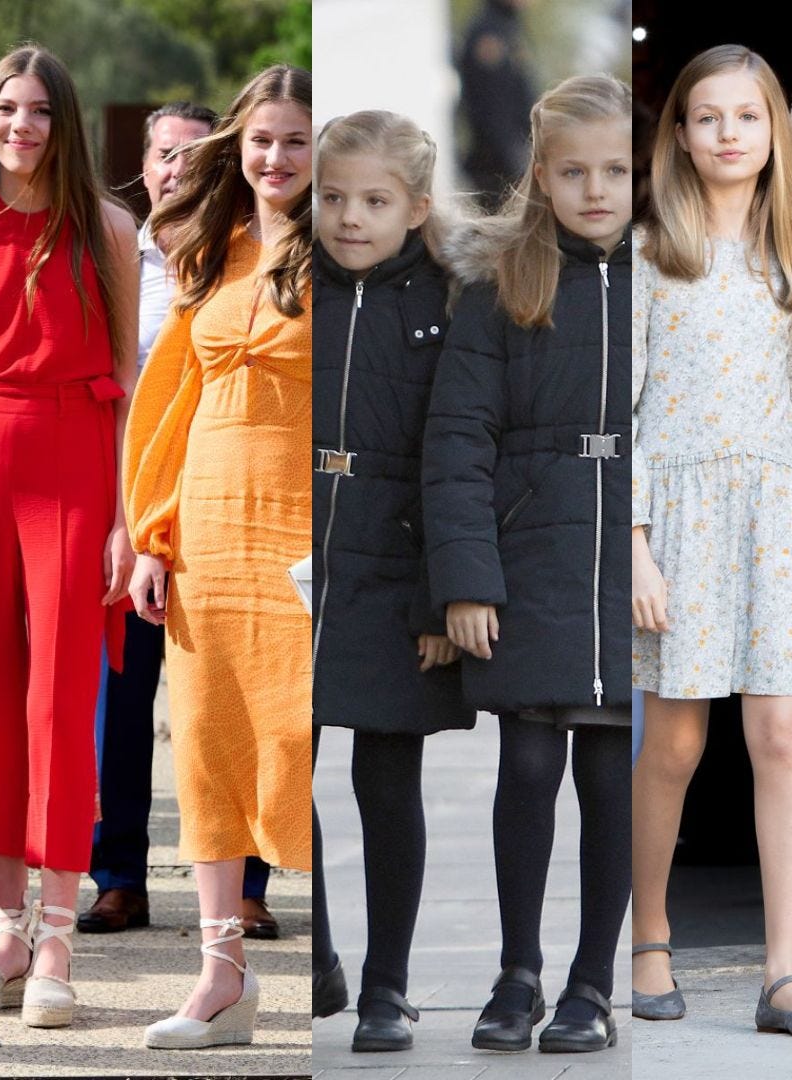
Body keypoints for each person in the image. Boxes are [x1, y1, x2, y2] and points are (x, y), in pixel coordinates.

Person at [629, 43, 792, 1039]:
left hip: (778, 517)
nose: (728, 134)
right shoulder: (648, 254)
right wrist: (631, 544)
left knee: (782, 730)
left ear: (773, 134)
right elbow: (618, 408)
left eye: (748, 117)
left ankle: (782, 971)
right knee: (675, 736)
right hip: (676, 520)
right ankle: (651, 937)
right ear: (680, 132)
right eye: (708, 117)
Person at [425, 73, 633, 1055]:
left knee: (611, 771)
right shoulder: (503, 284)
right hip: (535, 550)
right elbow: (458, 435)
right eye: (575, 171)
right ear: (542, 175)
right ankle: (518, 971)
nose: (597, 189)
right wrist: (467, 577)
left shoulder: (669, 277)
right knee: (529, 761)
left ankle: (595, 982)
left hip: (636, 562)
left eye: (618, 170)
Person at [126, 64, 314, 1049]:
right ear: (236, 150)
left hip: (301, 535)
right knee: (204, 747)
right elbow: (167, 412)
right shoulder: (211, 252)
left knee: (304, 744)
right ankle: (222, 983)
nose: (276, 157)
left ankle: (358, 970)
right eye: (262, 139)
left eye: (295, 138)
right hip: (206, 533)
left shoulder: (347, 258)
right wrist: (154, 534)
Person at [81, 99, 281, 942]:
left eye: (198, 157)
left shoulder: (245, 258)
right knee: (120, 704)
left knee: (243, 701)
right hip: (122, 502)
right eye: (167, 155)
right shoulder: (117, 258)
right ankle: (118, 876)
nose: (178, 170)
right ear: (147, 162)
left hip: (232, 509)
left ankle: (250, 885)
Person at [310, 109, 475, 1053]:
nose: (349, 217)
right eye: (333, 198)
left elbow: (454, 459)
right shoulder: (301, 291)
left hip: (396, 565)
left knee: (385, 778)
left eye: (374, 200)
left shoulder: (450, 303)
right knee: (288, 773)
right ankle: (323, 953)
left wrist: (439, 597)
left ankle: (387, 987)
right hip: (306, 564)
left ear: (415, 206)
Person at [0, 42, 140, 1030]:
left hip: (76, 466)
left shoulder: (111, 228)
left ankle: (55, 939)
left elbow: (132, 380)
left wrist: (130, 517)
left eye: (40, 110)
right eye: (7, 107)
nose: (22, 126)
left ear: (67, 121)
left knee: (58, 706)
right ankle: (3, 926)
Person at [456, 0, 537, 211]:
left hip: (513, 157)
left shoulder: (508, 27)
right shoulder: (489, 33)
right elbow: (493, 108)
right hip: (497, 167)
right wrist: (516, 165)